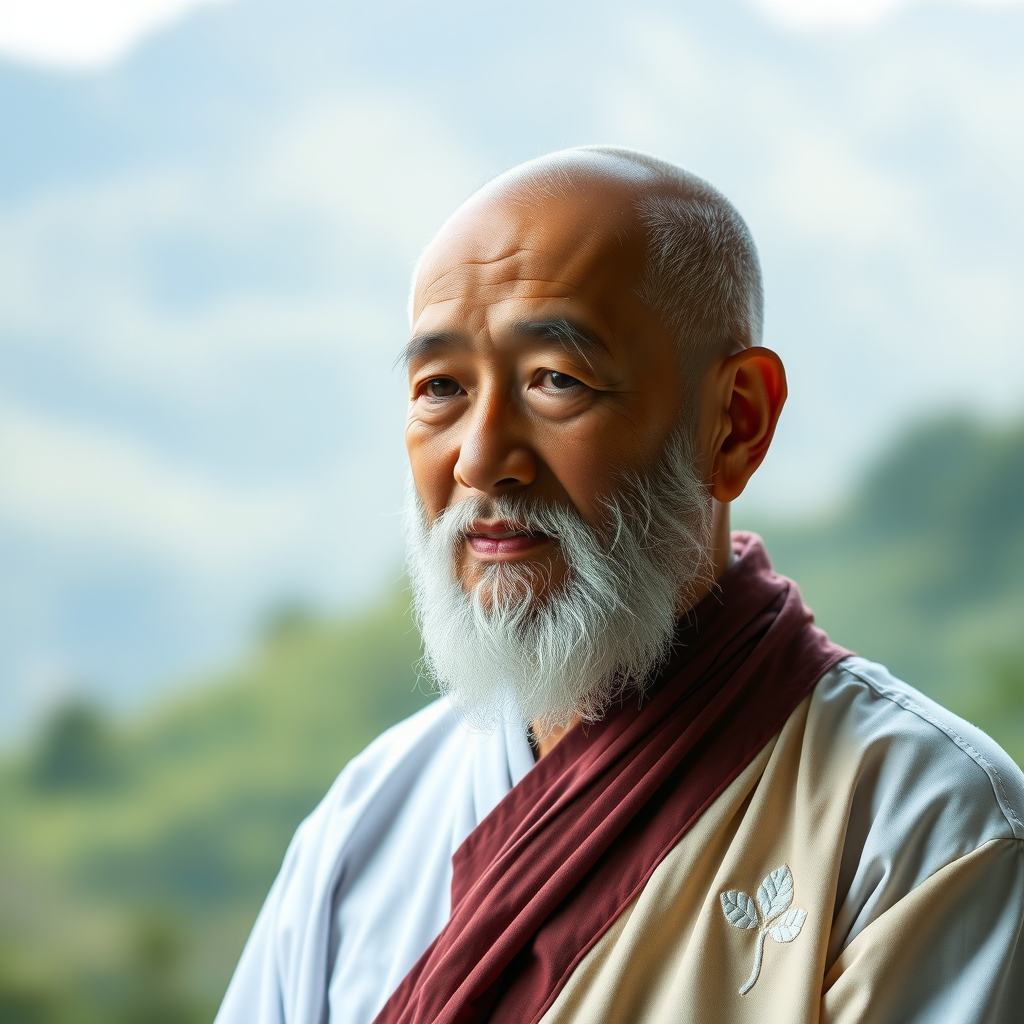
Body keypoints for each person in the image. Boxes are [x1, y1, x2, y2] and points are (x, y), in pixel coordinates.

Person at [214, 147, 1024, 1024]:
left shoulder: (922, 826)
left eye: (556, 380)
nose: (480, 459)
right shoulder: (365, 821)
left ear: (735, 422)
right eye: (440, 388)